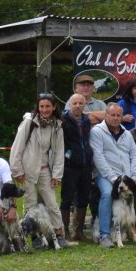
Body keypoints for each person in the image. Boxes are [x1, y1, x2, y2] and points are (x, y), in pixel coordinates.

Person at [91, 103, 136, 247]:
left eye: (119, 115)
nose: (116, 118)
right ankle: (104, 236)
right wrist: (114, 179)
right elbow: (98, 157)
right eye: (112, 115)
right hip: (105, 175)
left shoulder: (126, 133)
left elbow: (135, 155)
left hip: (128, 176)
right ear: (106, 115)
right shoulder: (97, 132)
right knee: (106, 194)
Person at [10, 93, 69, 248]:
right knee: (30, 204)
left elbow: (58, 152)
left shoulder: (57, 126)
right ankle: (35, 236)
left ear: (54, 107)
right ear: (38, 107)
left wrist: (57, 174)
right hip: (27, 169)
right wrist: (17, 170)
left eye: (48, 106)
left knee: (51, 203)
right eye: (41, 106)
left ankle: (59, 234)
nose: (44, 109)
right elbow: (17, 147)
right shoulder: (29, 123)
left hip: (44, 169)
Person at [61, 94, 95, 242]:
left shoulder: (87, 120)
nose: (78, 106)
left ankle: (79, 231)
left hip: (86, 165)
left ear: (85, 105)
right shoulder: (63, 121)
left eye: (81, 103)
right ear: (69, 104)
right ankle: (65, 232)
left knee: (83, 199)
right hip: (70, 166)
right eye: (75, 103)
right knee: (67, 199)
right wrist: (66, 156)